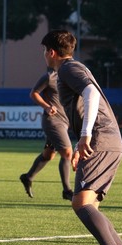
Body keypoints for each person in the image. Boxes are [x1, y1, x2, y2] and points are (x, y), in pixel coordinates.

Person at [41, 29, 122, 245]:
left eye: (44, 51)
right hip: (109, 140)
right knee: (90, 204)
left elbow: (91, 94)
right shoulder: (76, 67)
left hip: (99, 139)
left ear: (51, 52)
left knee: (81, 203)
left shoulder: (66, 69)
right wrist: (79, 143)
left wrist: (85, 136)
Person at [19, 69, 73, 200]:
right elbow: (34, 93)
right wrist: (47, 106)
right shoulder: (50, 77)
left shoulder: (71, 76)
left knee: (48, 154)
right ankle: (67, 191)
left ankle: (28, 177)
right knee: (67, 153)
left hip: (64, 121)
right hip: (53, 121)